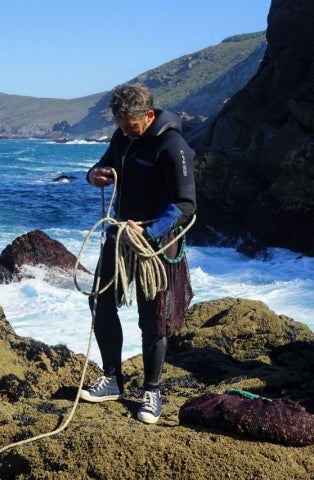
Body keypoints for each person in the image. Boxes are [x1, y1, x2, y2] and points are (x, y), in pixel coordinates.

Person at [81, 83, 197, 424]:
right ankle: (112, 379)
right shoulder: (122, 137)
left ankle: (152, 391)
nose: (125, 131)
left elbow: (186, 204)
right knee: (100, 300)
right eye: (120, 124)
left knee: (153, 317)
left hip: (155, 240)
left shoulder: (173, 145)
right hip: (119, 234)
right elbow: (103, 166)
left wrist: (149, 232)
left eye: (131, 125)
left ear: (148, 115)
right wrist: (94, 176)